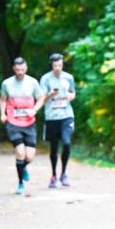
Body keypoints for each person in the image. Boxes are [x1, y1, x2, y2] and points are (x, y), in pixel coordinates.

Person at [0, 58, 47, 195]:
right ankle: (20, 183)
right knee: (20, 153)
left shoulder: (32, 82)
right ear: (14, 69)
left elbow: (41, 98)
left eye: (22, 70)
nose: (20, 72)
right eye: (17, 70)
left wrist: (34, 110)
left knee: (30, 157)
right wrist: (3, 114)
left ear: (26, 68)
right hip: (13, 122)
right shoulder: (7, 83)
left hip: (29, 122)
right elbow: (2, 99)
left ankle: (23, 167)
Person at [39, 53, 77, 188]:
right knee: (54, 148)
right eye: (55, 66)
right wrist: (51, 94)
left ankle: (64, 173)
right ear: (51, 65)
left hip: (66, 116)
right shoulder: (45, 79)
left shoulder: (68, 77)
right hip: (51, 117)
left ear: (62, 64)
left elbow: (73, 93)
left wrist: (70, 96)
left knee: (67, 143)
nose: (57, 68)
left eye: (60, 65)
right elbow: (41, 98)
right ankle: (54, 175)